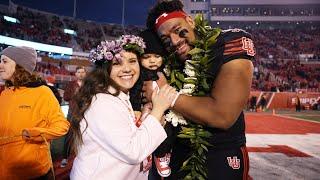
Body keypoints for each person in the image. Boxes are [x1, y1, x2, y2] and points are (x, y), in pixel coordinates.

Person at [144, 0, 255, 179]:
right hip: (177, 156)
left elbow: (222, 115)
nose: (174, 41)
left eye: (176, 29)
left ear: (190, 21)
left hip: (220, 155)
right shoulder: (166, 59)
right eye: (165, 39)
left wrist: (163, 92)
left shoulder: (227, 42)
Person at [69, 35, 178, 180]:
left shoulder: (120, 96)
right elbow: (133, 151)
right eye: (117, 63)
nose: (127, 69)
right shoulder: (103, 102)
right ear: (105, 70)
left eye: (132, 61)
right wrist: (158, 109)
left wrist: (147, 116)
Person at [0, 46, 70, 179]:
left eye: (4, 61)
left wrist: (37, 133)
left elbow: (62, 125)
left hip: (32, 173)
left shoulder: (42, 92)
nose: (0, 65)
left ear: (20, 65)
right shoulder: (5, 93)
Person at [129, 29, 176, 178]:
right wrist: (136, 109)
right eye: (147, 57)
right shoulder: (139, 74)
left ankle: (162, 155)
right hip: (145, 112)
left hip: (165, 111)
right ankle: (149, 158)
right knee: (144, 137)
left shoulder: (168, 73)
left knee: (167, 133)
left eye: (157, 56)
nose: (152, 60)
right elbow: (135, 93)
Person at [60, 66, 87, 168]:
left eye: (82, 72)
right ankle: (65, 158)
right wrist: (73, 94)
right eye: (78, 72)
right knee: (69, 136)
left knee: (84, 136)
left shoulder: (88, 85)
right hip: (73, 113)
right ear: (75, 74)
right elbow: (66, 97)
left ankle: (82, 157)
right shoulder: (71, 84)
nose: (80, 74)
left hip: (85, 113)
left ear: (85, 74)